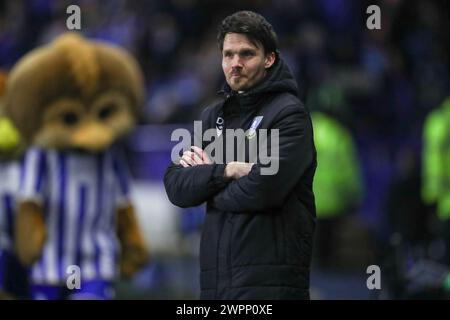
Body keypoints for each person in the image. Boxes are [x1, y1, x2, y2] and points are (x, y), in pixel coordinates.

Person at [164, 11, 317, 299]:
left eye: (246, 54)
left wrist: (208, 187)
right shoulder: (212, 116)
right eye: (228, 55)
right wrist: (226, 171)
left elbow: (264, 189)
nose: (235, 64)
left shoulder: (289, 114)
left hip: (269, 288)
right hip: (215, 285)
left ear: (269, 59)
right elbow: (176, 186)